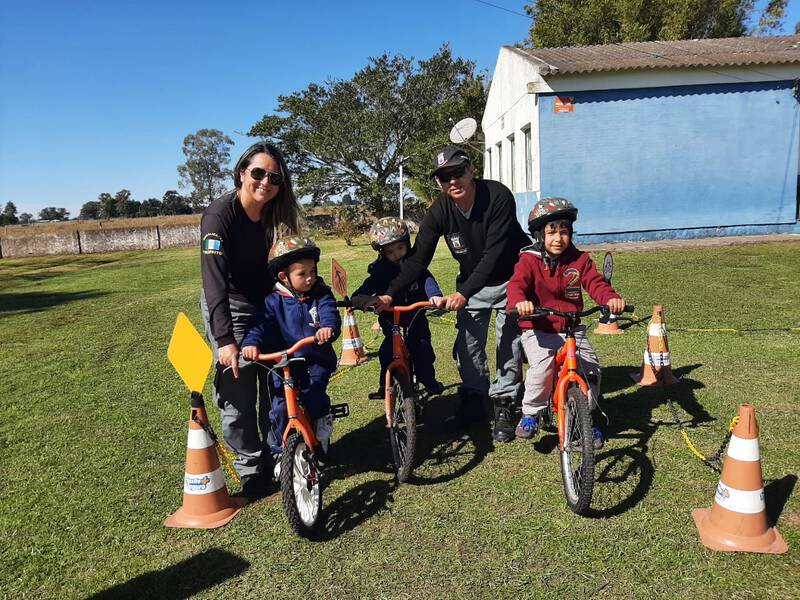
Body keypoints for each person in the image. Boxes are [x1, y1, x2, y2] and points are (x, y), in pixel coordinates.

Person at [371, 146, 531, 443]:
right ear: (438, 183)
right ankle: (474, 399)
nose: (452, 181)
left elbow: (494, 253)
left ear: (471, 170)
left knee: (508, 341)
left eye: (458, 172)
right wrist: (389, 295)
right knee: (467, 346)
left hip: (512, 279)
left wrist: (463, 293)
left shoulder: (498, 196)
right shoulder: (439, 210)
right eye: (445, 177)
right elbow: (418, 260)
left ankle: (504, 404)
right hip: (473, 283)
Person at [199, 141, 301, 499]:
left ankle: (280, 455)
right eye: (258, 173)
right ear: (242, 173)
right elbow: (213, 282)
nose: (265, 182)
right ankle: (251, 469)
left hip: (269, 303)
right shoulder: (219, 215)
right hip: (232, 306)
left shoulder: (278, 214)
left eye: (274, 177)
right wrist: (225, 338)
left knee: (277, 379)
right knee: (239, 390)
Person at [507, 197, 626, 448]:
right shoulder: (529, 260)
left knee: (591, 370)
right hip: (539, 328)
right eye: (551, 232)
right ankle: (531, 412)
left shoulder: (579, 260)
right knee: (542, 368)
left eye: (564, 232)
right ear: (540, 235)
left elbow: (595, 283)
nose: (558, 239)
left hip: (572, 327)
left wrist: (611, 299)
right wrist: (520, 303)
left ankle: (586, 416)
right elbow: (517, 285)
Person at [241, 237, 341, 457]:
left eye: (312, 271)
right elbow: (259, 325)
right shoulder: (272, 302)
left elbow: (329, 313)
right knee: (279, 408)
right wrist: (250, 343)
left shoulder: (320, 294)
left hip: (315, 359)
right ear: (283, 277)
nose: (310, 278)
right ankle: (281, 450)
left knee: (313, 395)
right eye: (302, 274)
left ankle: (322, 418)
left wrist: (327, 328)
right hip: (283, 362)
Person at [351, 217, 445, 399]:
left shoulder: (416, 267)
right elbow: (367, 287)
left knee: (422, 348)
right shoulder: (380, 271)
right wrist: (359, 298)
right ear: (382, 252)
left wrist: (435, 296)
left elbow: (427, 281)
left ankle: (429, 380)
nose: (396, 254)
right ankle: (384, 385)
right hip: (390, 320)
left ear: (407, 245)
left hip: (415, 317)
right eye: (390, 251)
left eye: (400, 248)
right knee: (387, 351)